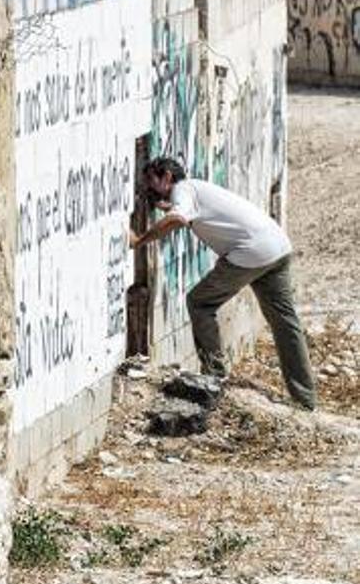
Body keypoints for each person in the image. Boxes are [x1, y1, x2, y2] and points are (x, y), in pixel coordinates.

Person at [133, 156, 315, 409]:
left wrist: (139, 240)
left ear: (166, 177)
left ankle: (214, 378)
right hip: (278, 247)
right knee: (285, 323)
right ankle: (305, 399)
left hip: (251, 252)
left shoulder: (182, 190)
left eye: (150, 182)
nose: (148, 191)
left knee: (199, 303)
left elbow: (178, 219)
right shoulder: (197, 189)